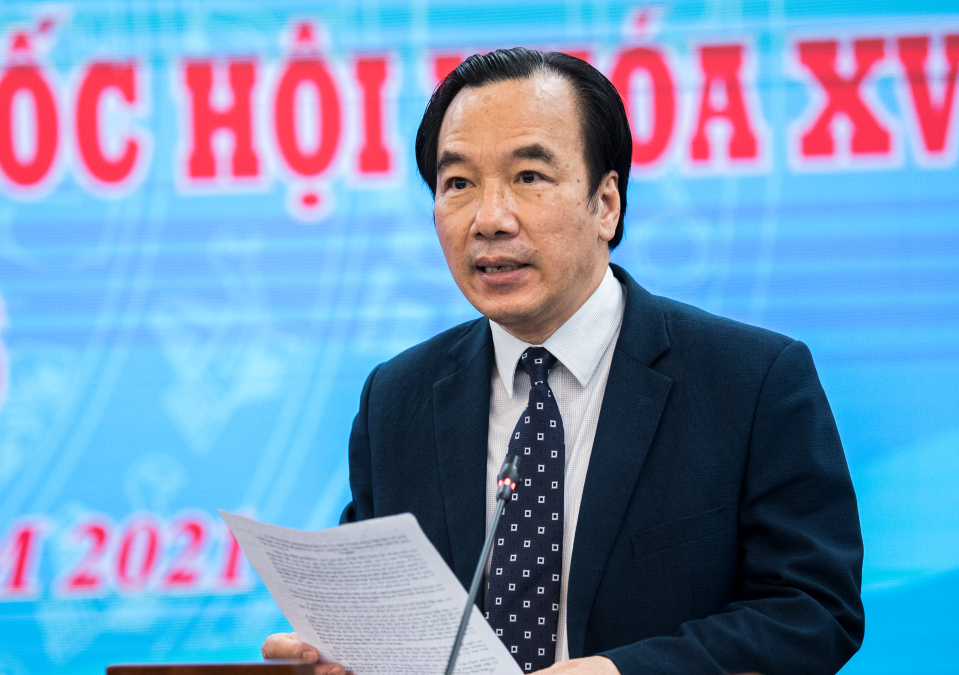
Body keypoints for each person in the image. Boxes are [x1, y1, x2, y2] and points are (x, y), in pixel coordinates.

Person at [262, 48, 863, 675]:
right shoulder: (396, 399)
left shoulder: (752, 381)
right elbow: (380, 610)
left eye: (529, 176)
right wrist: (343, 648)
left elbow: (813, 611)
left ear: (606, 204)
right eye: (458, 183)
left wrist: (621, 673)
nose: (489, 220)